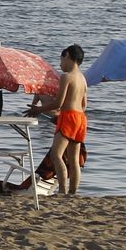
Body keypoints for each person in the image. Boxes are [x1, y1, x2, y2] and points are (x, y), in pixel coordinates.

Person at [37, 45, 88, 194]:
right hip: (81, 118)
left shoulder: (66, 77)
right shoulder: (83, 79)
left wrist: (38, 109)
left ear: (67, 56)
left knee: (56, 154)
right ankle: (73, 192)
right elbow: (84, 105)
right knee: (73, 159)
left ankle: (62, 190)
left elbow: (58, 103)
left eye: (61, 60)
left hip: (69, 117)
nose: (60, 64)